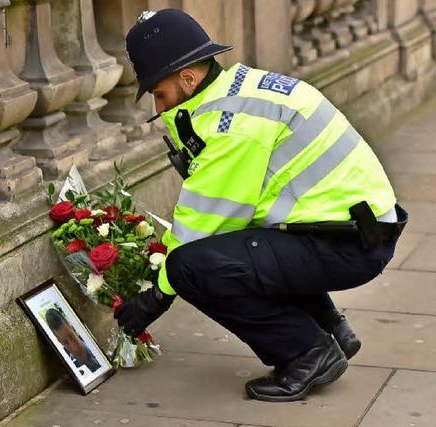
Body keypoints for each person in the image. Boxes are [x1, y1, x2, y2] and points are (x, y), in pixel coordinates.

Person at [114, 9, 407, 402]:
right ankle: (331, 329)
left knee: (192, 268)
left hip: (348, 244)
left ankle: (307, 352)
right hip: (356, 231)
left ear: (188, 78)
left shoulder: (230, 124)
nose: (159, 106)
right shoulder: (242, 88)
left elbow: (201, 224)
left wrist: (157, 295)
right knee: (251, 248)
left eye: (159, 93)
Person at [45, 308, 101, 374]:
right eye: (65, 342)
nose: (75, 348)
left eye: (71, 337)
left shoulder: (98, 343)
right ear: (60, 342)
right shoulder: (72, 371)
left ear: (74, 329)